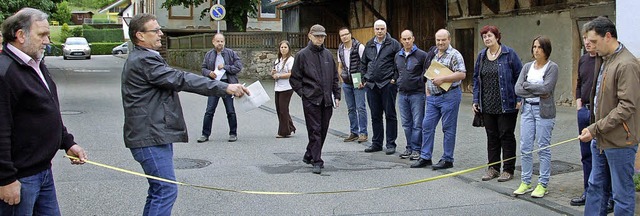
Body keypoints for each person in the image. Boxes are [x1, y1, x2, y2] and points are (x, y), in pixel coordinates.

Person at [121, 13, 249, 216]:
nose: (161, 33)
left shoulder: (145, 57)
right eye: (155, 30)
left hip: (154, 134)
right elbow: (182, 79)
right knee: (165, 190)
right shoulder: (144, 61)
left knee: (158, 191)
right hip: (149, 136)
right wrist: (225, 87)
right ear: (140, 35)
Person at [0, 8, 88, 215]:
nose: (47, 40)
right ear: (20, 35)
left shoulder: (35, 64)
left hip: (43, 171)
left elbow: (47, 111)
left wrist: (67, 142)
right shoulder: (5, 72)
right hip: (19, 178)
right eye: (42, 35)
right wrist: (5, 179)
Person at [579, 16, 640, 216]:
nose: (591, 46)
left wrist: (595, 128)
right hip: (601, 139)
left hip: (621, 141)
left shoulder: (627, 64)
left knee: (621, 194)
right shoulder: (606, 59)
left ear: (608, 36)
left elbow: (627, 106)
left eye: (594, 41)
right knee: (595, 186)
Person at [571, 23, 613, 211]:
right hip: (585, 111)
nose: (587, 43)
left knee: (605, 156)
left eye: (591, 40)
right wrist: (579, 103)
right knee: (587, 154)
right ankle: (588, 191)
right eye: (585, 39)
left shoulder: (606, 61)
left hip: (601, 116)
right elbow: (579, 82)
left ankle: (609, 196)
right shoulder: (584, 60)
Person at [472, 25, 522, 182]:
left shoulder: (509, 54)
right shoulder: (481, 56)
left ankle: (508, 169)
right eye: (484, 36)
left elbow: (520, 76)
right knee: (491, 136)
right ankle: (493, 168)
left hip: (507, 103)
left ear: (497, 37)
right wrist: (475, 100)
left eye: (490, 36)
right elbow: (476, 79)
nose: (487, 38)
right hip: (487, 104)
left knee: (506, 136)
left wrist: (520, 98)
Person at [411, 29, 466, 170]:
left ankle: (447, 159)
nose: (440, 43)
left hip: (450, 96)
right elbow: (428, 72)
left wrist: (443, 79)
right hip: (432, 98)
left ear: (449, 40)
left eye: (443, 40)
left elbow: (461, 74)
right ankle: (425, 157)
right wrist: (427, 89)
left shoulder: (455, 55)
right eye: (438, 40)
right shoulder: (433, 53)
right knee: (427, 126)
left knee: (448, 128)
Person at [290, 24, 340, 175]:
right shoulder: (302, 55)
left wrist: (337, 95)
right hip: (311, 99)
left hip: (327, 100)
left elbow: (334, 78)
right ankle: (317, 160)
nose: (320, 39)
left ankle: (309, 153)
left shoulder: (328, 56)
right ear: (310, 36)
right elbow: (295, 78)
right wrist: (304, 93)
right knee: (315, 130)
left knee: (323, 129)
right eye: (317, 36)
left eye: (322, 36)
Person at [513, 36, 558, 198]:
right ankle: (526, 181)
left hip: (543, 112)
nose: (536, 50)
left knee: (543, 147)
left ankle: (543, 184)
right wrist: (535, 89)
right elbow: (518, 89)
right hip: (527, 110)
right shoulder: (527, 67)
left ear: (546, 49)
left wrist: (528, 86)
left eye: (539, 47)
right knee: (525, 147)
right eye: (534, 47)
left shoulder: (552, 67)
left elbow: (547, 89)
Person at [360, 19, 401, 155]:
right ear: (374, 30)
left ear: (386, 29)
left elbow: (399, 63)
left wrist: (394, 79)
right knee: (375, 115)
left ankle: (390, 144)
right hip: (372, 85)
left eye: (382, 29)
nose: (379, 31)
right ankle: (376, 143)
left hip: (387, 84)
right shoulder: (369, 44)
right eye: (377, 29)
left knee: (390, 114)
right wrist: (364, 78)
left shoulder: (394, 44)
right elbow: (363, 63)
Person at [197, 33, 243, 143]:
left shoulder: (231, 53)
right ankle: (205, 134)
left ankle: (233, 133)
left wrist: (225, 67)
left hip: (228, 84)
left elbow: (238, 67)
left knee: (230, 110)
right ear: (213, 42)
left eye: (222, 41)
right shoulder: (209, 55)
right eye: (218, 41)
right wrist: (209, 73)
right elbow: (203, 69)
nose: (220, 43)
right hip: (214, 85)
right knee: (209, 111)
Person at [395, 30, 428, 161]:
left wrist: (419, 82)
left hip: (417, 94)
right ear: (401, 40)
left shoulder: (422, 55)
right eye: (404, 39)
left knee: (417, 123)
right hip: (402, 94)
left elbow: (426, 72)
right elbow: (396, 71)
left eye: (409, 38)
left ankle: (417, 149)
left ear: (413, 39)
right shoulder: (398, 55)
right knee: (406, 123)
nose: (407, 41)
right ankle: (409, 147)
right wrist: (397, 81)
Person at [337, 27, 368, 143]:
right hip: (347, 81)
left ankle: (363, 132)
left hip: (358, 79)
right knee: (351, 108)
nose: (344, 37)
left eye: (346, 34)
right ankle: (354, 132)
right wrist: (341, 78)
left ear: (350, 34)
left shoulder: (359, 47)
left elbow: (366, 64)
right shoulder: (340, 49)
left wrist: (363, 80)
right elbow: (340, 65)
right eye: (342, 35)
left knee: (360, 107)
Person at [271, 40, 296, 138]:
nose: (283, 49)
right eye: (281, 47)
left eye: (285, 47)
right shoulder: (278, 60)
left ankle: (284, 131)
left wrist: (279, 76)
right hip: (278, 87)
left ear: (289, 49)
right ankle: (290, 126)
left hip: (287, 87)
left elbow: (291, 74)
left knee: (283, 109)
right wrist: (273, 73)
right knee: (279, 109)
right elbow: (274, 73)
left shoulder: (291, 60)